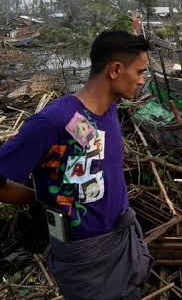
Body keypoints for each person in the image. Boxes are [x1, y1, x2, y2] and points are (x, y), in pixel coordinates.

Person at [0, 30, 154, 300]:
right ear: (116, 70)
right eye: (140, 72)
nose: (142, 81)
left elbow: (92, 152)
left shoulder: (108, 110)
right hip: (86, 260)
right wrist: (38, 200)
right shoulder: (52, 122)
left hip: (122, 241)